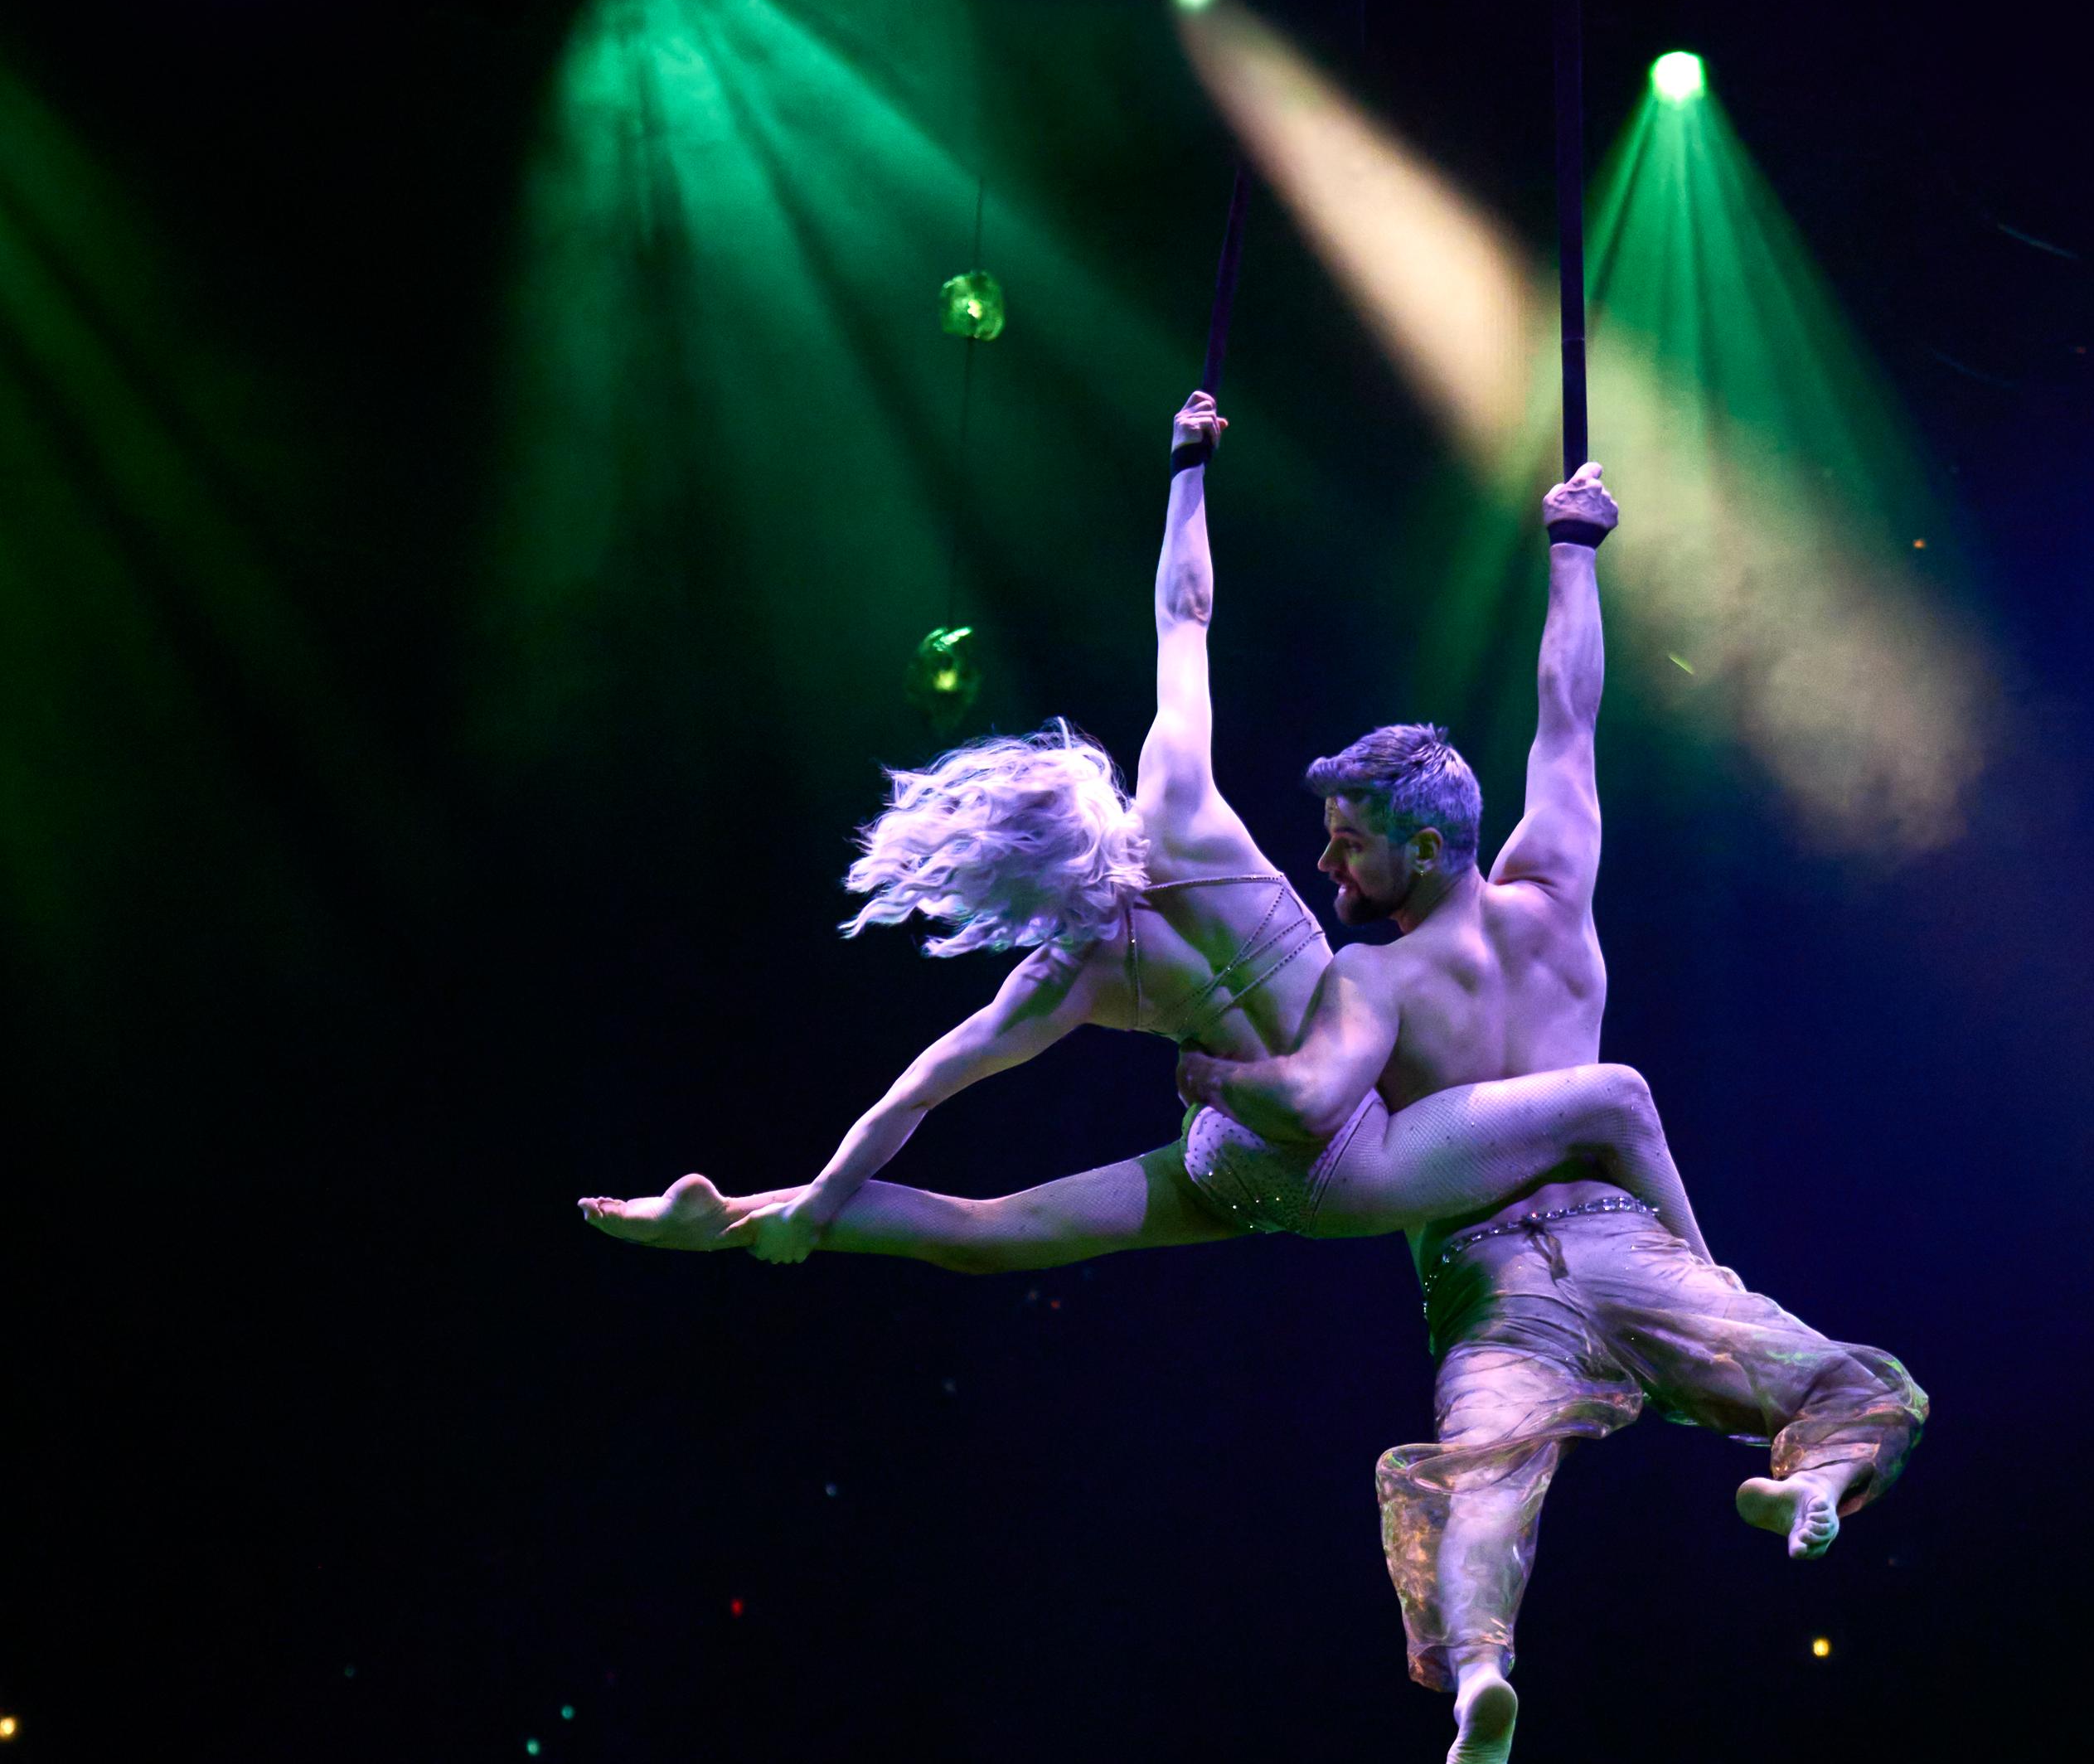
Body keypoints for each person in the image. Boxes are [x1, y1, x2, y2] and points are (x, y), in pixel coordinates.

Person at [1178, 468, 1927, 1764]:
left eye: (1348, 847)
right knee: (1842, 1380)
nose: (1329, 870)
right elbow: (1567, 713)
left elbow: (1307, 1105)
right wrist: (1574, 549)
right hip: (1626, 1235)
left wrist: (1213, 1074)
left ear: (1420, 845)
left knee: (1482, 1486)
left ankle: (1481, 1679)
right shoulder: (1557, 889)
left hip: (1491, 1278)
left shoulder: (1376, 976)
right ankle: (1812, 1481)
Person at [579, 396, 1710, 1277]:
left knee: (982, 1232)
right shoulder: (1179, 807)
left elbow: (919, 1089)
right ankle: (1705, 1295)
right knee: (1592, 1113)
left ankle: (734, 1218)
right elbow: (1188, 615)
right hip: (1333, 1146)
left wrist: (822, 1203)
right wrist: (1188, 470)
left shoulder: (1065, 971)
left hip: (1227, 1164)